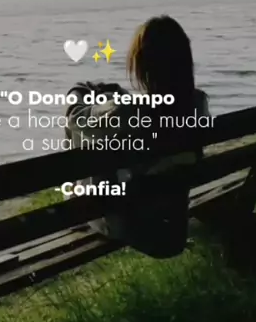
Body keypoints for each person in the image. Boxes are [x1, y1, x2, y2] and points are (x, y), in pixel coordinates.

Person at [64, 15, 210, 257]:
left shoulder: (127, 112)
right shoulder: (198, 102)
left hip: (128, 224)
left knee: (87, 131)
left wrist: (79, 89)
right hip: (174, 223)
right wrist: (117, 97)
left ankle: (74, 193)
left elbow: (75, 117)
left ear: (142, 64)